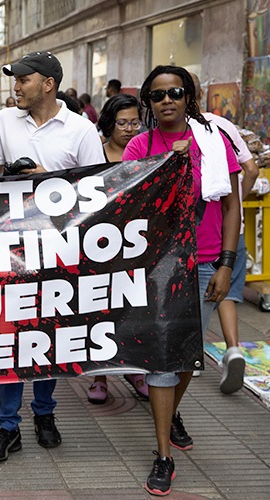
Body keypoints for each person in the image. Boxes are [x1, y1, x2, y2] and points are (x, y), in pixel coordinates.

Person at [122, 65, 240, 496]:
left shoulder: (215, 141)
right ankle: (162, 455)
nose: (166, 100)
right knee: (164, 358)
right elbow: (132, 205)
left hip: (207, 262)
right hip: (159, 266)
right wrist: (170, 162)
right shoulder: (140, 145)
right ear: (148, 104)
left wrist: (227, 264)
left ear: (189, 96)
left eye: (175, 92)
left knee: (187, 355)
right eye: (157, 95)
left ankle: (170, 414)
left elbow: (231, 207)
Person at [0, 51, 105, 463]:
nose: (16, 86)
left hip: (59, 250)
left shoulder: (81, 130)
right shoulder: (2, 121)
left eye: (23, 79)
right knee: (9, 335)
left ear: (48, 84)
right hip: (11, 248)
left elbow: (97, 196)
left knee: (51, 335)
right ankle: (7, 424)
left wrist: (48, 181)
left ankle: (45, 414)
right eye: (15, 80)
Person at [191, 73, 259, 394]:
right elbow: (252, 169)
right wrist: (237, 204)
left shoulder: (200, 131)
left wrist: (230, 205)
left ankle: (187, 357)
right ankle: (232, 348)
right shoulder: (222, 125)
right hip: (233, 227)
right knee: (226, 291)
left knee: (209, 292)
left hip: (211, 231)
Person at [84, 93, 148, 404]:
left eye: (135, 122)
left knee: (134, 308)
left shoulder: (148, 153)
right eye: (122, 123)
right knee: (101, 308)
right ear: (109, 124)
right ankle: (100, 375)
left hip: (139, 244)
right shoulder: (94, 154)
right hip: (101, 245)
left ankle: (136, 369)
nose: (129, 129)